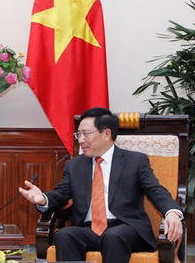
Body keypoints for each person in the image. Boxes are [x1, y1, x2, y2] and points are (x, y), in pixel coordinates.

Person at [19, 107, 183, 263]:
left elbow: (155, 190)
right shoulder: (75, 165)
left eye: (86, 134)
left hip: (126, 228)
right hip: (89, 229)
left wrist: (171, 211)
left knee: (113, 236)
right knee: (64, 234)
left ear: (106, 134)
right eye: (79, 134)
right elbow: (62, 193)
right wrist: (43, 198)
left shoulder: (135, 161)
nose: (81, 140)